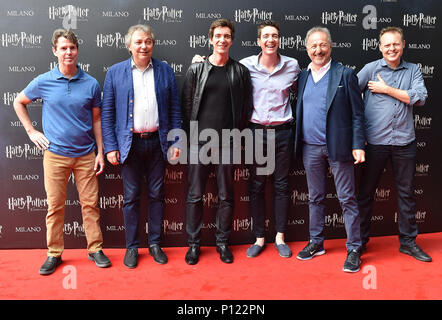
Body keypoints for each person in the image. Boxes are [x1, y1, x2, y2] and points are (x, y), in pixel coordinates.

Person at [13, 28, 111, 275]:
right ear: (54, 51)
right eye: (63, 48)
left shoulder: (90, 83)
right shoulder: (43, 81)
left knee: (90, 205)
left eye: (72, 48)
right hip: (55, 155)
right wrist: (31, 132)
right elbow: (19, 102)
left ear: (78, 51)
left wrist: (100, 152)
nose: (68, 52)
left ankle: (95, 249)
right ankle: (54, 253)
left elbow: (97, 121)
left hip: (86, 154)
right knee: (55, 206)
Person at [101, 24, 181, 268]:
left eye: (147, 41)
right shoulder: (115, 73)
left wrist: (176, 140)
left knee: (157, 195)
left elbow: (176, 109)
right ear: (129, 46)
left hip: (158, 142)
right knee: (131, 197)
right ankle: (132, 247)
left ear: (152, 45)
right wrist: (110, 146)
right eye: (138, 42)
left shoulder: (165, 71)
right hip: (129, 145)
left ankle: (155, 244)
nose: (143, 46)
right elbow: (107, 114)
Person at [294, 26, 365, 272]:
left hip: (339, 147)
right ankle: (316, 242)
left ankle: (354, 248)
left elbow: (358, 114)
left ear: (331, 47)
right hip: (310, 148)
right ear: (307, 49)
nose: (318, 50)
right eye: (313, 45)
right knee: (315, 198)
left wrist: (358, 144)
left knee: (347, 199)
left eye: (323, 45)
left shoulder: (345, 75)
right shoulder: (302, 76)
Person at [356, 27, 431, 262]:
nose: (391, 49)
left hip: (404, 142)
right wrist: (358, 131)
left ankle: (408, 243)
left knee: (407, 194)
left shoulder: (414, 70)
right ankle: (359, 243)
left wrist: (386, 90)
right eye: (387, 45)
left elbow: (419, 98)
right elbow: (349, 95)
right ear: (380, 47)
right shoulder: (370, 69)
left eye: (395, 44)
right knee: (366, 194)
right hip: (375, 142)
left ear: (403, 44)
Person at [181, 18, 252, 265]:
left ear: (232, 40)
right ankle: (193, 245)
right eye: (218, 36)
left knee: (226, 196)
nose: (222, 40)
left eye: (227, 36)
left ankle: (222, 243)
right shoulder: (196, 69)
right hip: (199, 144)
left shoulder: (240, 72)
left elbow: (245, 108)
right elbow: (187, 105)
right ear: (210, 39)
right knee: (195, 195)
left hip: (228, 144)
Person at [239, 20, 300, 258]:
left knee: (282, 185)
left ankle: (280, 238)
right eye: (266, 36)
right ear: (259, 41)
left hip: (283, 132)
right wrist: (198, 61)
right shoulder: (246, 66)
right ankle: (259, 238)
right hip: (256, 133)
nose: (270, 40)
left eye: (274, 36)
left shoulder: (292, 66)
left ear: (279, 39)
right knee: (256, 186)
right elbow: (221, 69)